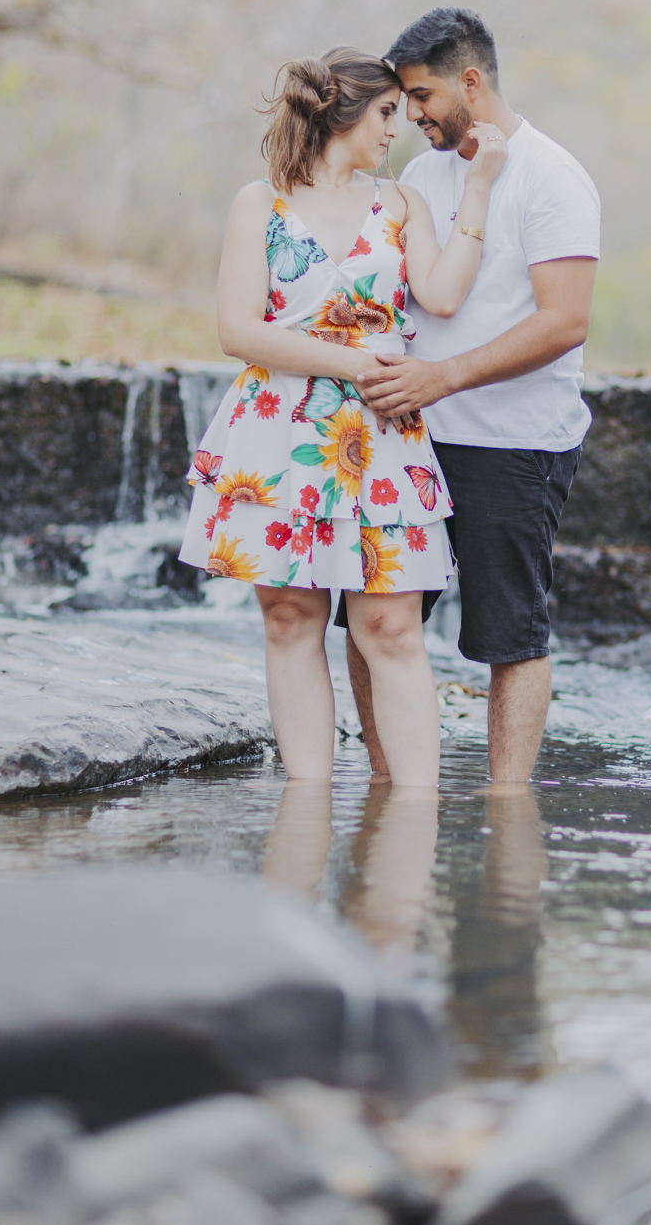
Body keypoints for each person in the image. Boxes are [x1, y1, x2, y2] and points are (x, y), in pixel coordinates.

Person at [177, 46, 507, 787]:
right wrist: (356, 364)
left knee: (390, 626)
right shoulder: (257, 203)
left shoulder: (399, 205)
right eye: (387, 112)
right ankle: (308, 809)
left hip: (381, 438)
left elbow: (444, 294)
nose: (398, 127)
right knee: (291, 620)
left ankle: (413, 819)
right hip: (278, 428)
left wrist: (478, 189)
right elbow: (238, 331)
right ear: (343, 113)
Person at [346, 9, 600, 785]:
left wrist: (444, 378)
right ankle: (388, 786)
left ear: (470, 81)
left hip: (513, 443)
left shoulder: (552, 176)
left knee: (509, 633)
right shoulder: (421, 175)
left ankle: (507, 805)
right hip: (408, 438)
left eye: (420, 96)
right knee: (375, 618)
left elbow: (563, 322)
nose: (410, 114)